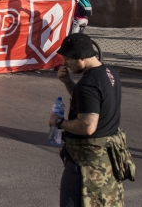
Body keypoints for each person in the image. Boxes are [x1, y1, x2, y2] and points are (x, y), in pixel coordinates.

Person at [52, 33, 133, 207]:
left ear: (80, 57)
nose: (65, 63)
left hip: (86, 164)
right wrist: (68, 82)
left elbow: (87, 126)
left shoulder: (88, 84)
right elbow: (89, 104)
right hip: (106, 160)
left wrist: (58, 123)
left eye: (67, 59)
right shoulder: (108, 72)